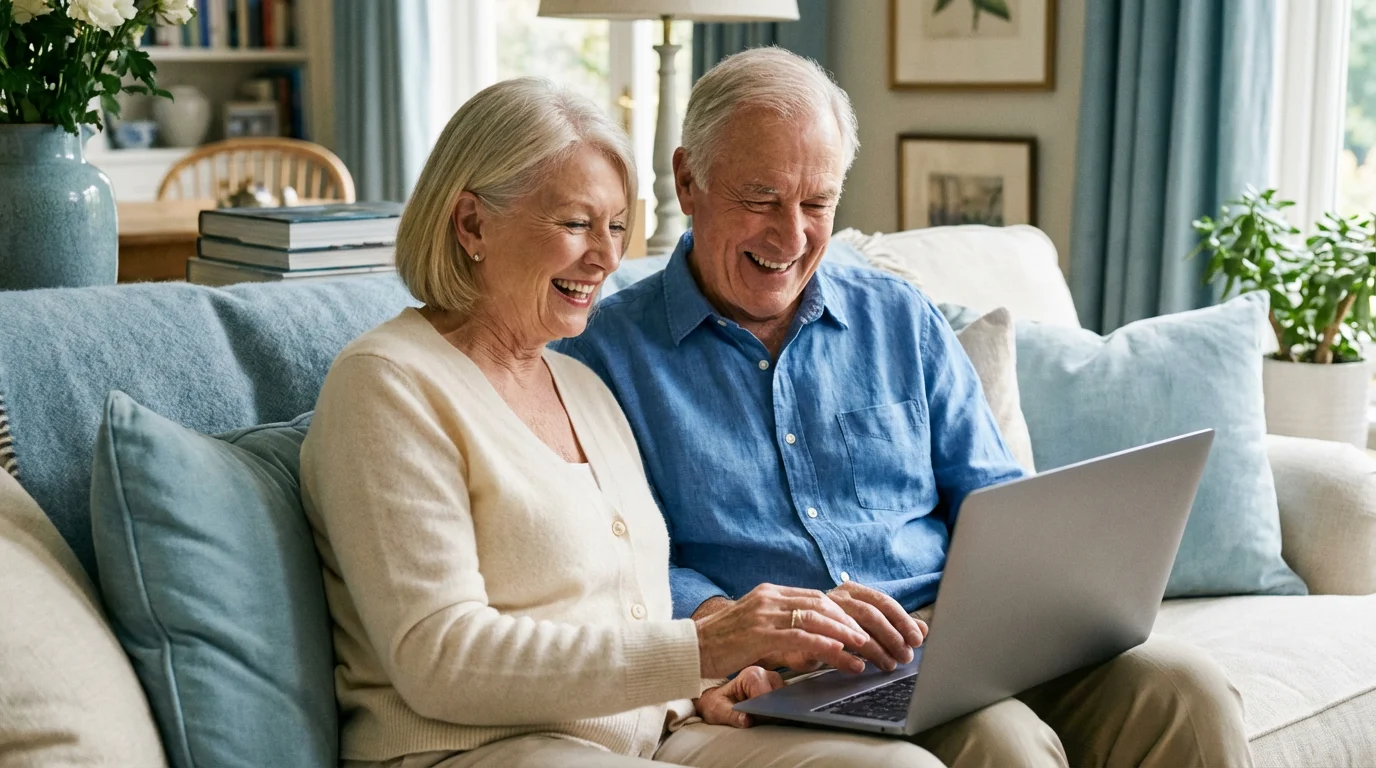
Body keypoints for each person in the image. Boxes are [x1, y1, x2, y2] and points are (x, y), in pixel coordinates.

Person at [555, 48, 1255, 768]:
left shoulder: (898, 316)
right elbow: (611, 561)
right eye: (760, 199)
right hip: (796, 668)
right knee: (1001, 740)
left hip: (960, 637)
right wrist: (720, 624)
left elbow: (992, 493)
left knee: (1184, 687)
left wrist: (1031, 599)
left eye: (817, 203)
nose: (791, 236)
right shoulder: (600, 356)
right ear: (687, 181)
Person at [301, 77, 945, 768]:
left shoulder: (579, 383)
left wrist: (713, 680)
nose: (606, 257)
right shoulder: (388, 385)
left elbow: (629, 608)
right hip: (488, 749)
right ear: (472, 224)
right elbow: (441, 659)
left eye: (615, 226)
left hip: (655, 736)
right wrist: (705, 647)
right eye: (576, 224)